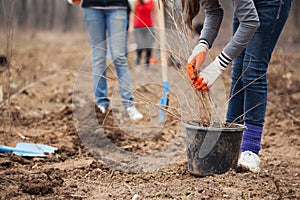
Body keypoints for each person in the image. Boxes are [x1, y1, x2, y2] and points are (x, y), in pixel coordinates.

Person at [162, 0, 291, 172]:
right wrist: (202, 44)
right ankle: (230, 141)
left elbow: (250, 22)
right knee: (238, 71)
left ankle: (250, 150)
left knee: (252, 69)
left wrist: (216, 66)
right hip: (247, 7)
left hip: (271, 4)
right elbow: (214, 11)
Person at [68, 0, 143, 120]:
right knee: (98, 57)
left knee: (119, 56)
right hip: (92, 7)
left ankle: (128, 104)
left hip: (117, 6)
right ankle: (101, 103)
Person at [130, 0, 157, 68]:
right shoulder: (137, 1)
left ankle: (147, 63)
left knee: (149, 46)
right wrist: (131, 26)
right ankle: (138, 60)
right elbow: (133, 13)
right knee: (140, 45)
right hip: (138, 27)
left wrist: (156, 25)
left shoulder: (152, 2)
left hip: (149, 27)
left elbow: (155, 14)